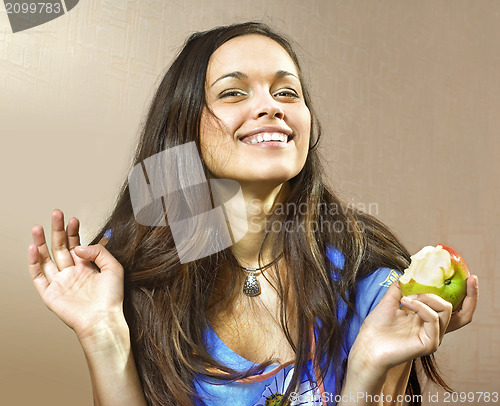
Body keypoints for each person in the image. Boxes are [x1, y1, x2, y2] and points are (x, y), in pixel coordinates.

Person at [28, 22, 478, 406]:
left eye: (287, 91)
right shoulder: (131, 269)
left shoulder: (371, 279)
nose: (271, 107)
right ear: (185, 124)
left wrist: (368, 368)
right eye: (233, 92)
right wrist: (102, 334)